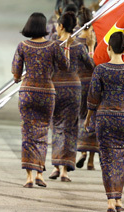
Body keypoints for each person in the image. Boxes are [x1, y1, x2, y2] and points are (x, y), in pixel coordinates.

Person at [85, 31, 124, 212]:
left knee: (106, 159)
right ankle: (118, 199)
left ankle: (110, 201)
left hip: (104, 117)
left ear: (109, 47)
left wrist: (89, 118)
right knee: (120, 158)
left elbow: (93, 96)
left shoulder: (101, 70)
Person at [11, 12, 70, 188]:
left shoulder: (22, 46)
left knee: (28, 134)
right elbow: (65, 67)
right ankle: (40, 174)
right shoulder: (53, 46)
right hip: (46, 93)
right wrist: (65, 48)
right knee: (43, 134)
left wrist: (17, 78)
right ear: (44, 27)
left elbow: (15, 72)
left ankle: (29, 176)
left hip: (27, 93)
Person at [49, 11, 94, 182]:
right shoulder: (79, 46)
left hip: (56, 88)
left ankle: (55, 166)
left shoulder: (52, 45)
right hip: (74, 90)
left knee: (56, 128)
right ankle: (64, 171)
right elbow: (91, 67)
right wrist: (90, 47)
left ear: (60, 26)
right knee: (70, 129)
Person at [75, 7, 98, 171]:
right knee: (94, 117)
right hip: (94, 84)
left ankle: (82, 151)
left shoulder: (74, 42)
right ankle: (90, 159)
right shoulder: (96, 42)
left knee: (81, 117)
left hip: (78, 85)